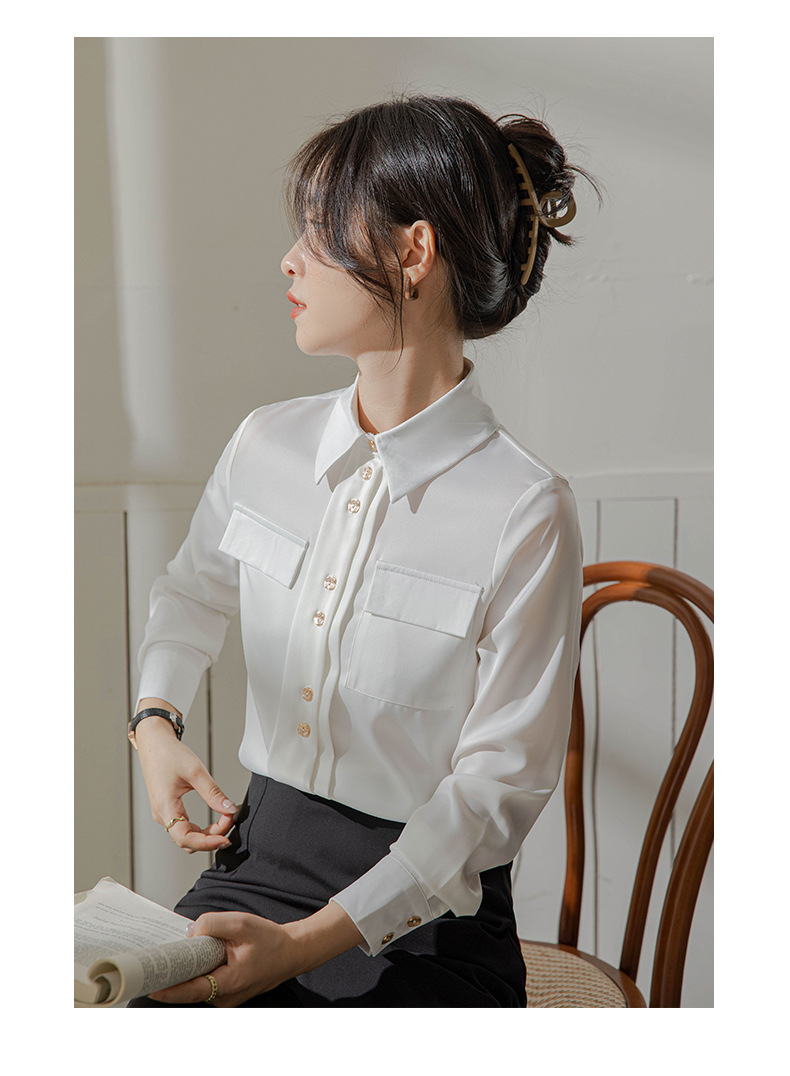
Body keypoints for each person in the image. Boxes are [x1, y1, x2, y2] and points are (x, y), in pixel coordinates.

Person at [126, 93, 596, 1008]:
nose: (289, 259)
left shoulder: (525, 509)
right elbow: (191, 593)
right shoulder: (266, 444)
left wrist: (304, 945)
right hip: (255, 863)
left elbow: (495, 791)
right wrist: (154, 723)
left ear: (414, 252)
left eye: (319, 229)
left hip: (427, 917)